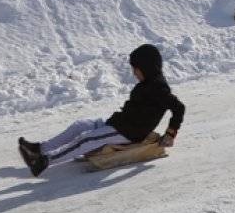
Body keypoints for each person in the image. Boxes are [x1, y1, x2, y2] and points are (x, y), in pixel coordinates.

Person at [17, 44, 185, 177]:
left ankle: (43, 161)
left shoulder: (159, 88)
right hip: (118, 124)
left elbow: (179, 108)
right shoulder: (148, 83)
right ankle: (40, 149)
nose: (134, 72)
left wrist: (170, 133)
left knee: (86, 140)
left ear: (147, 67)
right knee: (80, 125)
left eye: (136, 68)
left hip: (129, 132)